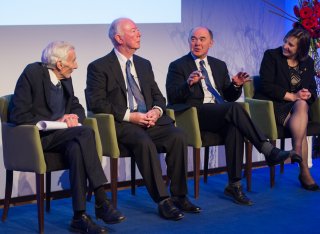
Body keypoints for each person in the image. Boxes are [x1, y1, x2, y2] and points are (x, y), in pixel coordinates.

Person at [166, 26, 302, 206]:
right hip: (196, 114)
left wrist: (236, 85)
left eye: (202, 39)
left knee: (234, 125)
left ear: (211, 43)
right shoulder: (178, 66)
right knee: (235, 109)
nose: (197, 43)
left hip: (219, 112)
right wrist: (188, 84)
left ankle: (234, 185)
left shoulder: (218, 65)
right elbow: (173, 97)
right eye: (193, 39)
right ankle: (267, 149)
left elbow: (228, 96)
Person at [86, 18, 201, 221]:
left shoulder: (144, 64)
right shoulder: (99, 67)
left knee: (178, 136)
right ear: (119, 38)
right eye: (133, 30)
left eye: (138, 30)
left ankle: (179, 195)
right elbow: (96, 103)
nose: (139, 34)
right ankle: (163, 200)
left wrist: (156, 111)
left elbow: (158, 96)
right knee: (143, 141)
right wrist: (131, 116)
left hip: (149, 121)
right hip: (122, 124)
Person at [9, 41, 125, 234]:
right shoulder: (32, 74)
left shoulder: (65, 79)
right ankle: (101, 200)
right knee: (86, 132)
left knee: (77, 148)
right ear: (60, 64)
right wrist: (53, 121)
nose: (76, 65)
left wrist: (73, 117)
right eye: (73, 61)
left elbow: (77, 107)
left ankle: (79, 217)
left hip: (63, 137)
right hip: (39, 139)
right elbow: (18, 115)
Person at [254, 27, 319, 191]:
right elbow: (266, 86)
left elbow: (313, 90)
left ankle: (296, 152)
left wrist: (306, 94)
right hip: (274, 105)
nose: (285, 46)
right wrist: (292, 96)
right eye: (285, 42)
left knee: (303, 105)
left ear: (301, 49)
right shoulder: (271, 56)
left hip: (299, 108)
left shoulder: (308, 62)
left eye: (291, 45)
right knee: (301, 129)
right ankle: (304, 172)